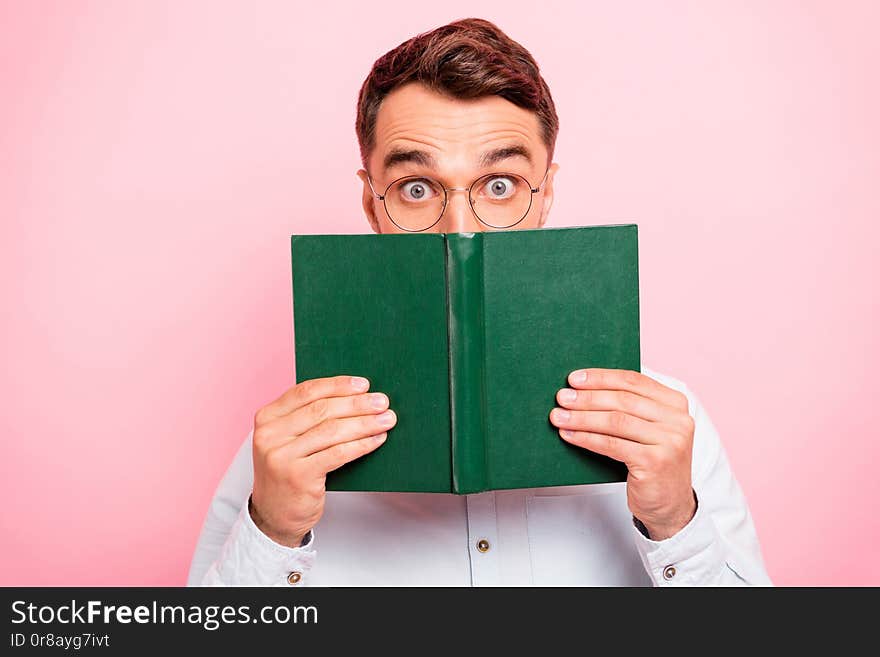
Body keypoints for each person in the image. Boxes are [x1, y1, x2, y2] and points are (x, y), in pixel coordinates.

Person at [187, 18, 771, 586]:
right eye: (416, 190)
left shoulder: (669, 425)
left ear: (545, 197)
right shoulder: (286, 446)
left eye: (500, 186)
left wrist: (674, 522)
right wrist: (273, 532)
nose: (460, 229)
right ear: (371, 206)